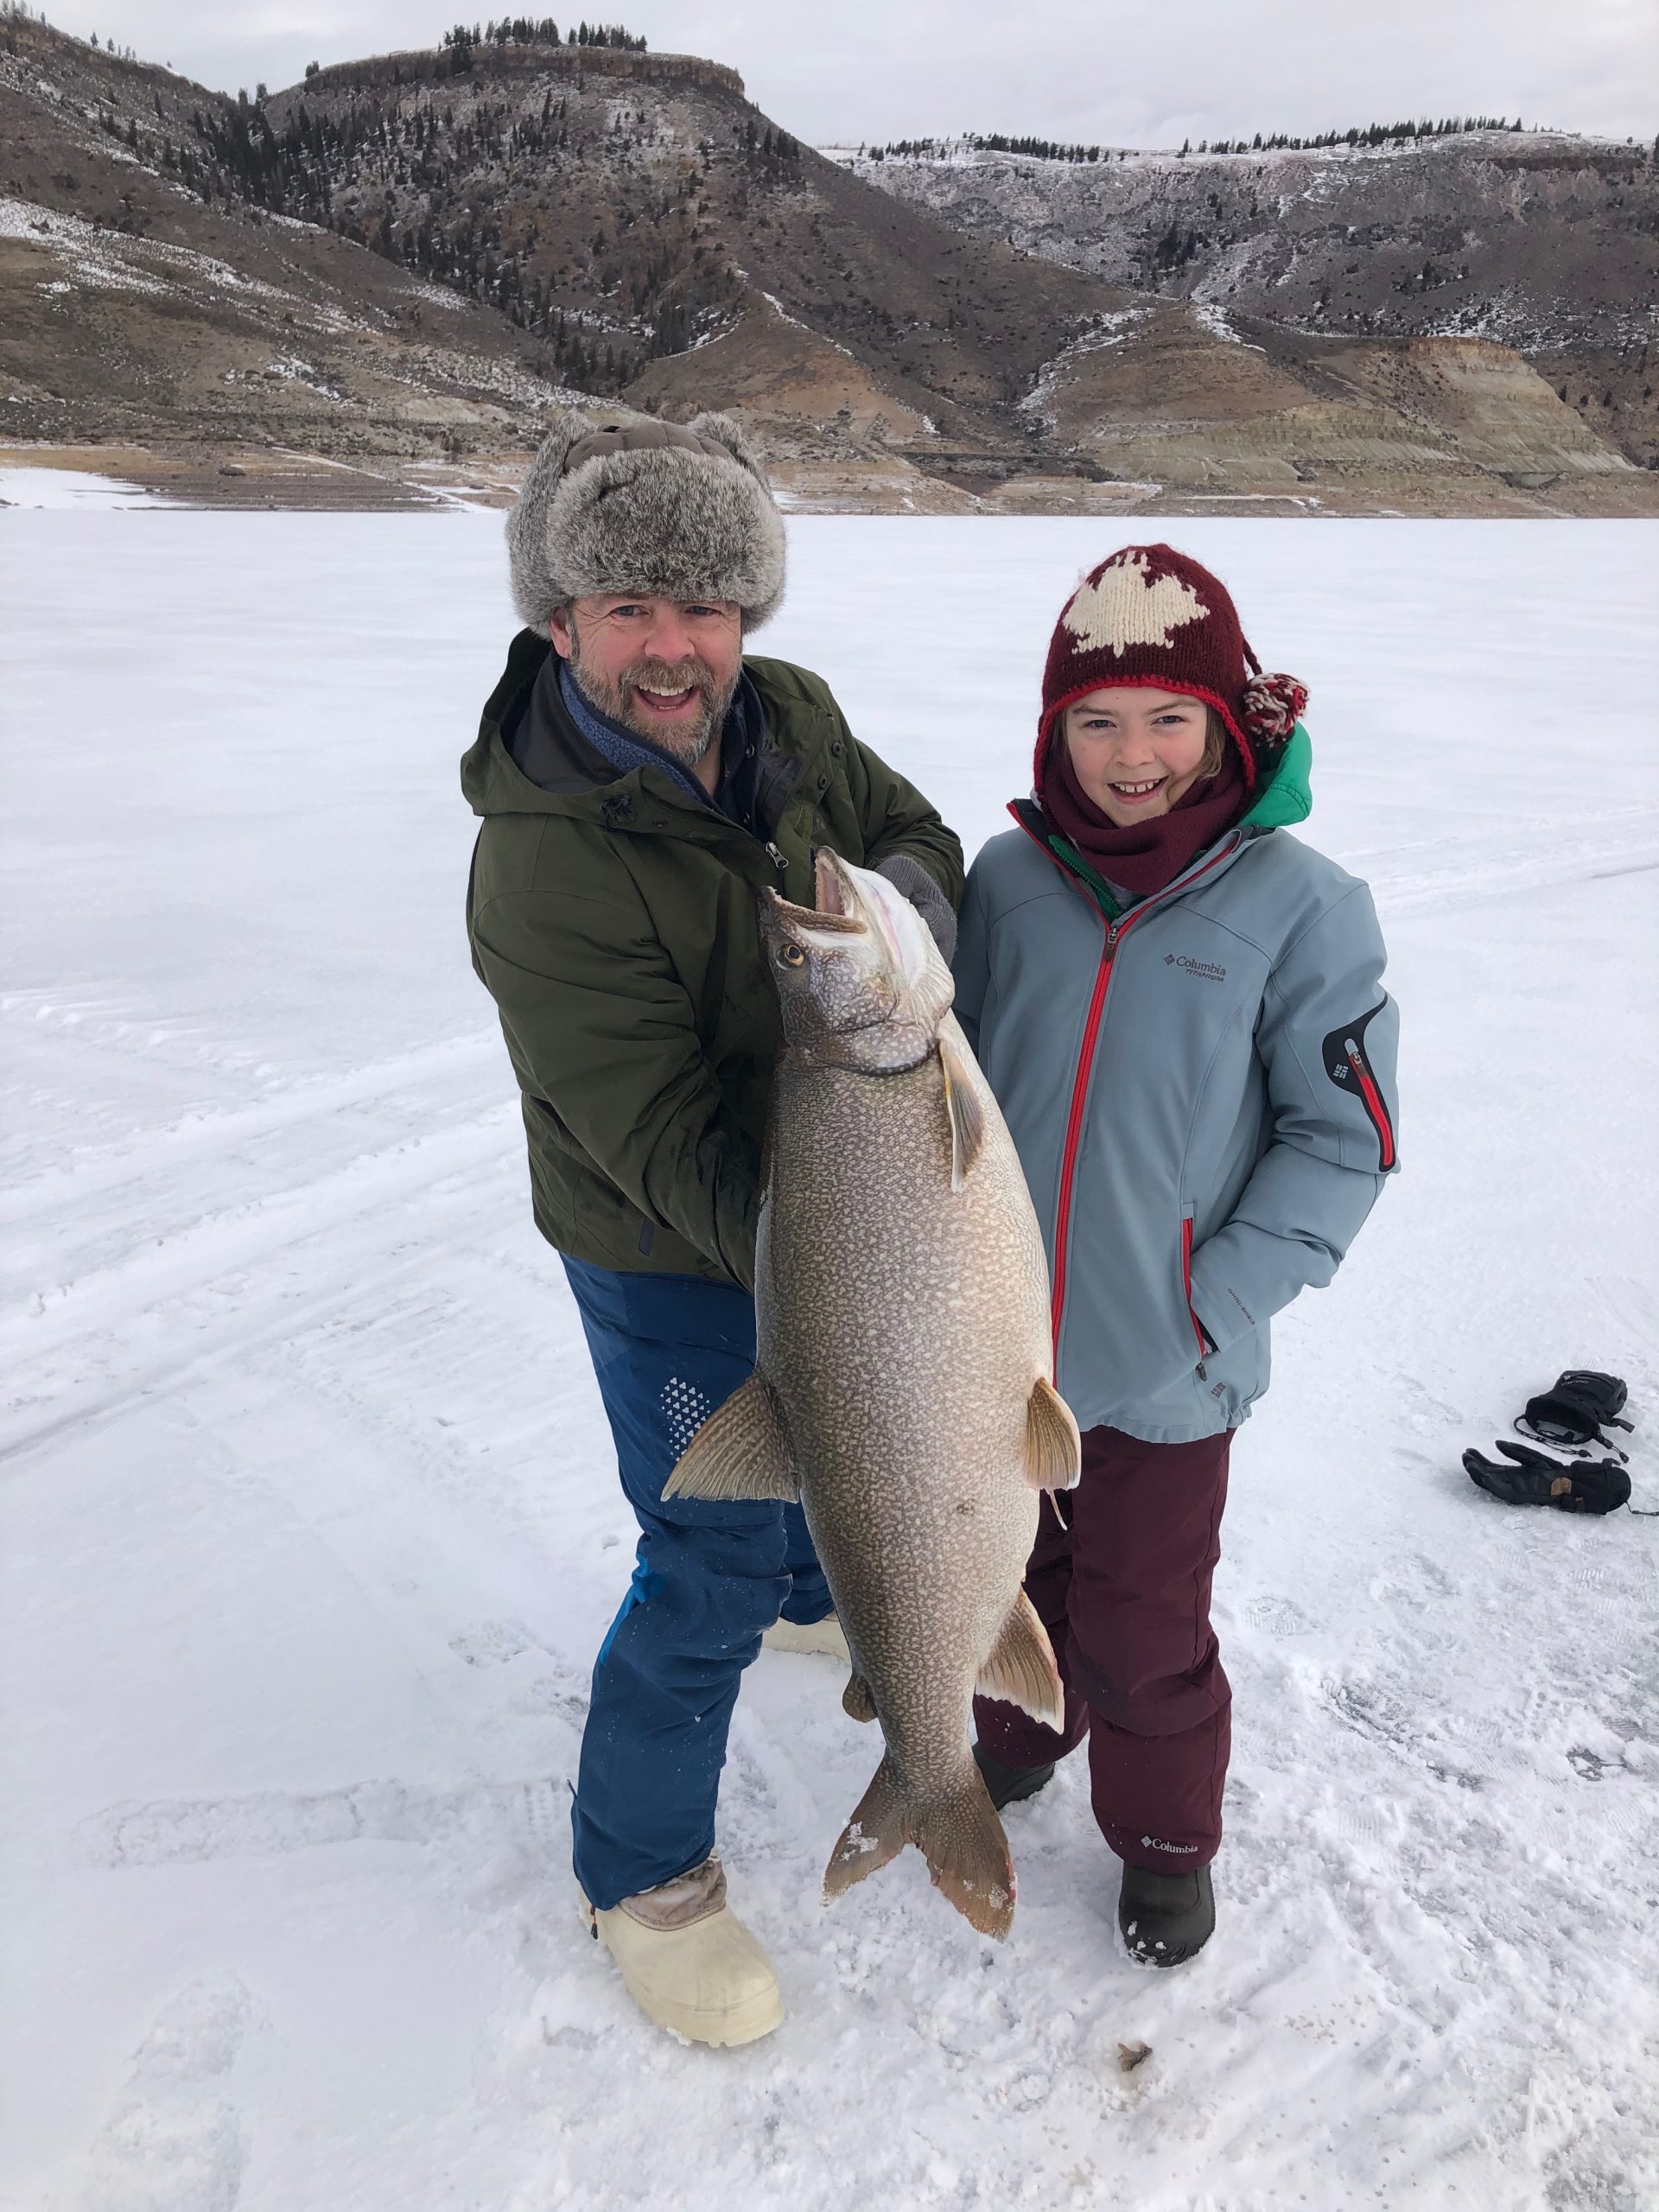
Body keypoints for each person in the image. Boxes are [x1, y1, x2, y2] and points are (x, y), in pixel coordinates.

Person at [461, 410, 962, 2045]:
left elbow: (913, 837)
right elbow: (662, 1136)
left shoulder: (791, 716)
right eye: (629, 610)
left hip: (838, 1160)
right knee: (707, 1554)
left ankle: (832, 1581)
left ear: (747, 618)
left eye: (705, 609)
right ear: (560, 625)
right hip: (662, 1237)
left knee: (853, 1427)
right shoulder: (542, 866)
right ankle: (643, 1874)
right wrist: (854, 1243)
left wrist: (901, 930)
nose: (673, 649)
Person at [954, 543, 1399, 1967]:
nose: (1128, 756)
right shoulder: (1007, 881)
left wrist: (1206, 1312)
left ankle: (1161, 1844)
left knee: (1145, 1629)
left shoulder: (1301, 904)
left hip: (1170, 1375)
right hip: (998, 1357)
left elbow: (1341, 1144)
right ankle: (1018, 1738)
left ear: (1225, 723)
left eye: (1164, 717)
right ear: (1052, 730)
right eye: (1095, 720)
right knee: (1008, 1588)